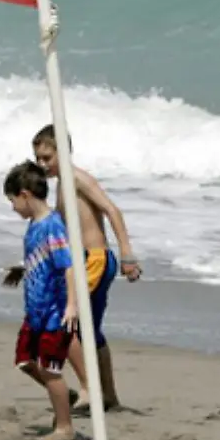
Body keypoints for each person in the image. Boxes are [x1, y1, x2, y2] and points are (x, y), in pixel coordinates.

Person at [32, 123, 141, 411]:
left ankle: (88, 390)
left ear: (63, 152)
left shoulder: (77, 179)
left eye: (47, 157)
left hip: (95, 259)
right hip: (82, 260)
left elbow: (112, 210)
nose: (42, 164)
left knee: (66, 321)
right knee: (89, 331)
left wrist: (127, 254)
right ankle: (108, 396)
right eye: (38, 158)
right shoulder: (61, 185)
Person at [3, 160, 79, 440]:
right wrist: (22, 269)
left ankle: (65, 428)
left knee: (50, 369)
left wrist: (72, 306)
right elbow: (42, 259)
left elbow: (67, 266)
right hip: (35, 311)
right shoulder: (34, 225)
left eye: (12, 201)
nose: (13, 208)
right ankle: (64, 395)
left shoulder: (52, 225)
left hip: (54, 312)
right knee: (24, 361)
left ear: (25, 195)